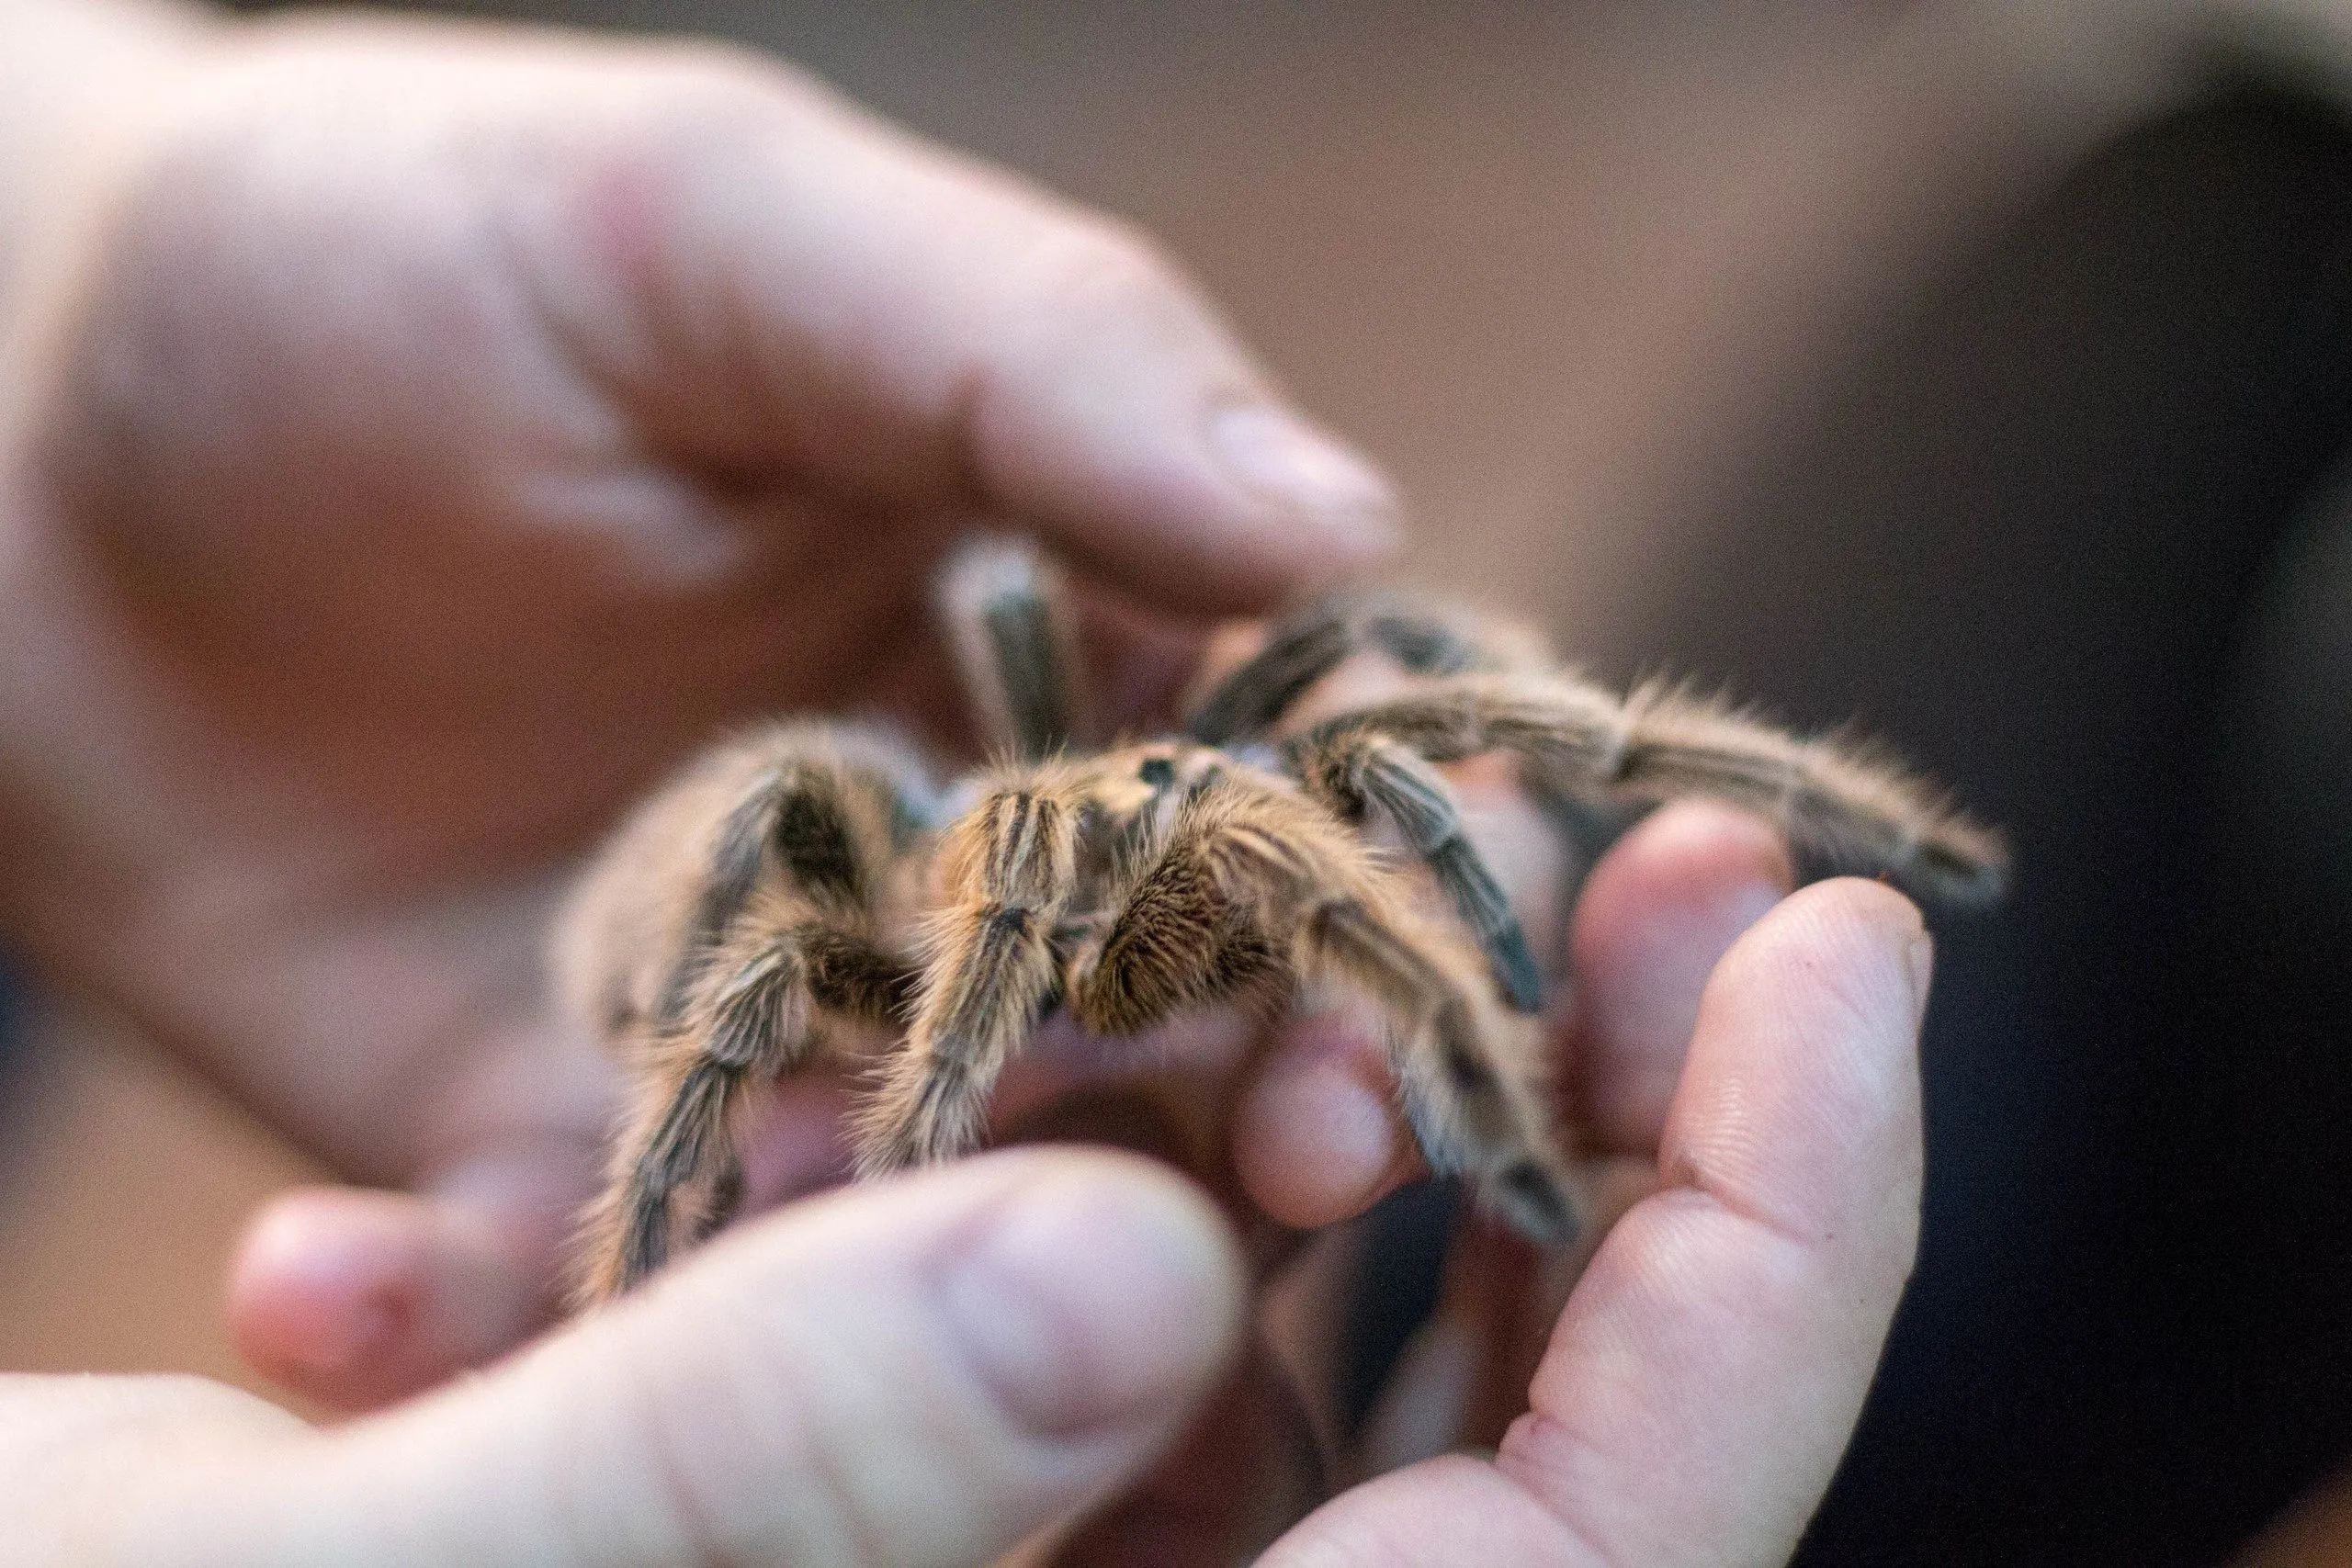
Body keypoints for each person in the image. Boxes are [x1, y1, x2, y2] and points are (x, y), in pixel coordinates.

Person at [0, 1, 1938, 1561]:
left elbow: (1372, 707)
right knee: (809, 902)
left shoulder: (1211, 785)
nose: (1212, 802)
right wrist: (918, 1138)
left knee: (1353, 720)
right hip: (827, 906)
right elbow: (974, 790)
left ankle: (1757, 900)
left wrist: (68, 247)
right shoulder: (921, 876)